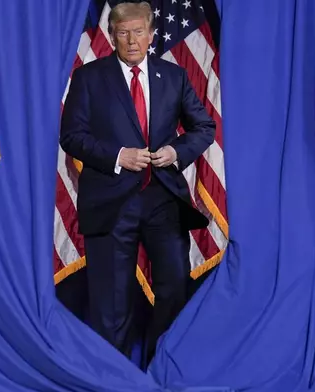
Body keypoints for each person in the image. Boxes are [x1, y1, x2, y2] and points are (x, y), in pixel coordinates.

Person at [59, 1, 215, 368]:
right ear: (112, 36)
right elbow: (72, 136)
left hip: (162, 199)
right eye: (124, 33)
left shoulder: (173, 77)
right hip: (111, 203)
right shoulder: (89, 77)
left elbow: (203, 128)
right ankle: (113, 378)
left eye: (139, 32)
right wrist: (118, 156)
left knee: (175, 287)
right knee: (110, 303)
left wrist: (175, 153)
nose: (132, 40)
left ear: (150, 34)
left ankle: (155, 368)